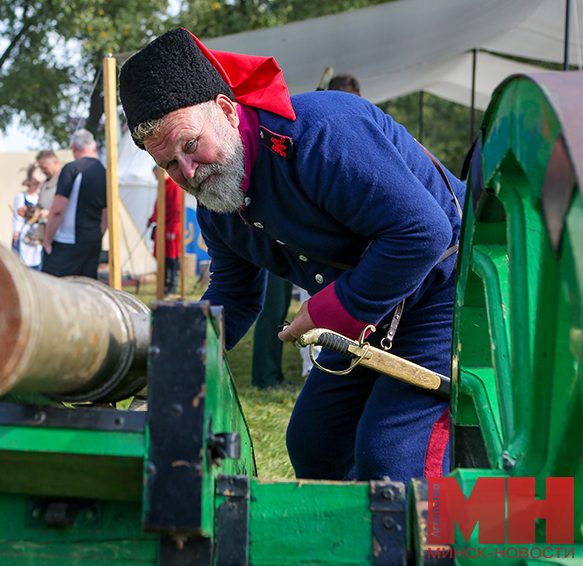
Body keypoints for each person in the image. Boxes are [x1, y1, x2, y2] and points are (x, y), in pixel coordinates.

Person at [118, 28, 465, 486]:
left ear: (225, 109)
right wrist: (181, 352)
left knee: (393, 457)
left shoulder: (322, 131)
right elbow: (235, 296)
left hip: (447, 293)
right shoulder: (216, 208)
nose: (189, 172)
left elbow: (423, 233)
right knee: (313, 444)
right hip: (374, 314)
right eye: (169, 165)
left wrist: (331, 310)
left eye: (189, 146)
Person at [42, 130, 107, 279]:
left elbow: (58, 210)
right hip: (92, 242)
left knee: (53, 288)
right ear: (94, 146)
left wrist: (47, 241)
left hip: (67, 242)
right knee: (88, 289)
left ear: (74, 147)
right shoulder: (105, 172)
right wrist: (97, 235)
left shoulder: (72, 168)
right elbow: (107, 213)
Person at [147, 166, 182, 296]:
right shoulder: (163, 185)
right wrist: (151, 219)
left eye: (156, 175)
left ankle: (172, 287)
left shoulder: (173, 186)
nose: (156, 178)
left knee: (171, 258)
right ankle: (164, 285)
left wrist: (172, 230)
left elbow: (176, 209)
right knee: (161, 257)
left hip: (169, 228)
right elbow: (159, 206)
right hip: (162, 227)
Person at [12, 164, 45, 269]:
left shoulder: (39, 196)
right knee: (23, 260)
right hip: (25, 231)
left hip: (36, 232)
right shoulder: (21, 196)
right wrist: (16, 230)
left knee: (37, 258)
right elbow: (18, 215)